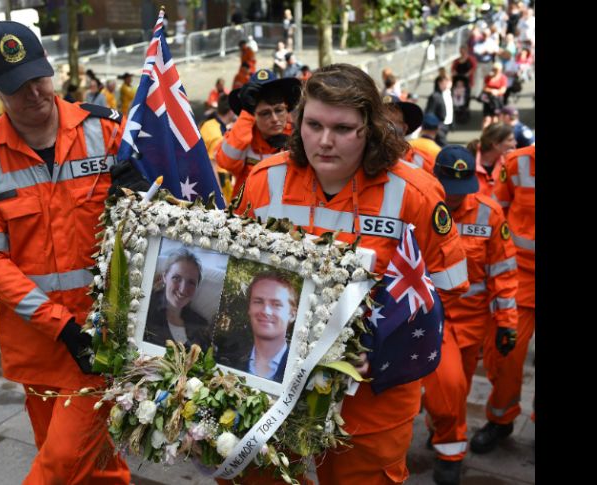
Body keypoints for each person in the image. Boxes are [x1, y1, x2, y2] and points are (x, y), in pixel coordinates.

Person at [229, 63, 468, 484]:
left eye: (342, 128)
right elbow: (239, 268)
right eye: (313, 124)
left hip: (372, 394)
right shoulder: (265, 180)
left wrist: (383, 351)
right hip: (274, 380)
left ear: (371, 128)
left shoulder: (415, 193)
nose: (324, 141)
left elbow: (447, 289)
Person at [0, 20, 148, 484]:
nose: (34, 94)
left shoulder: (105, 131)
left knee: (60, 465)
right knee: (91, 465)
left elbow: (156, 220)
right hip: (41, 346)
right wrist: (60, 328)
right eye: (17, 87)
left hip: (102, 337)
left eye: (39, 78)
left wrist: (145, 195)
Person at [422, 145, 518, 485]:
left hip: (469, 323)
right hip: (427, 317)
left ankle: (442, 430)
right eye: (449, 190)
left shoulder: (488, 214)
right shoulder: (419, 205)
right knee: (446, 385)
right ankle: (451, 451)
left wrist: (507, 323)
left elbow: (503, 275)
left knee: (455, 389)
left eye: (461, 192)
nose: (456, 199)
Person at [471, 145, 535, 455]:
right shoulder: (517, 161)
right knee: (505, 353)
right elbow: (497, 214)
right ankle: (501, 419)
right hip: (520, 276)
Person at [216, 69, 301, 199]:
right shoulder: (242, 137)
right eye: (265, 113)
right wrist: (246, 113)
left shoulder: (299, 137)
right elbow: (226, 163)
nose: (274, 118)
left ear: (287, 108)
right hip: (248, 216)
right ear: (253, 115)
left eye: (279, 110)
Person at [231, 272, 297, 382]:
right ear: (249, 309)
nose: (266, 311)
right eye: (258, 302)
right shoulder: (229, 361)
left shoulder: (299, 369)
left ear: (292, 315)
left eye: (276, 304)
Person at [145, 249, 212, 351]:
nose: (183, 289)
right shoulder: (145, 308)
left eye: (191, 282)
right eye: (176, 278)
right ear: (164, 277)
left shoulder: (201, 325)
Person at [382, 94, 436, 176]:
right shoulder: (361, 160)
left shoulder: (422, 162)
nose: (386, 127)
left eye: (392, 122)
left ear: (404, 128)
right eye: (380, 121)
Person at [200, 94, 236, 203]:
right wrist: (220, 197)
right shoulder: (218, 136)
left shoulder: (209, 123)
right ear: (230, 111)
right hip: (220, 181)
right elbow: (213, 165)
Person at [467, 122, 516, 197]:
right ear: (495, 144)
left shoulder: (509, 163)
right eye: (510, 140)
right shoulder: (467, 163)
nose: (515, 143)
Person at [425, 74, 453, 146]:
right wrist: (435, 125)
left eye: (448, 81)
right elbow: (430, 112)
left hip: (447, 124)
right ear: (439, 83)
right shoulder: (435, 96)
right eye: (445, 82)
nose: (447, 84)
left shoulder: (447, 93)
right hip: (439, 125)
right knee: (443, 145)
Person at [480, 62, 508, 128]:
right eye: (494, 69)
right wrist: (491, 90)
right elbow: (484, 88)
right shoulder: (488, 77)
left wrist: (497, 92)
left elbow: (503, 90)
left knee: (495, 119)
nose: (495, 71)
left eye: (497, 69)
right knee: (487, 119)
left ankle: (494, 135)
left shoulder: (503, 78)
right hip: (488, 99)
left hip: (497, 101)